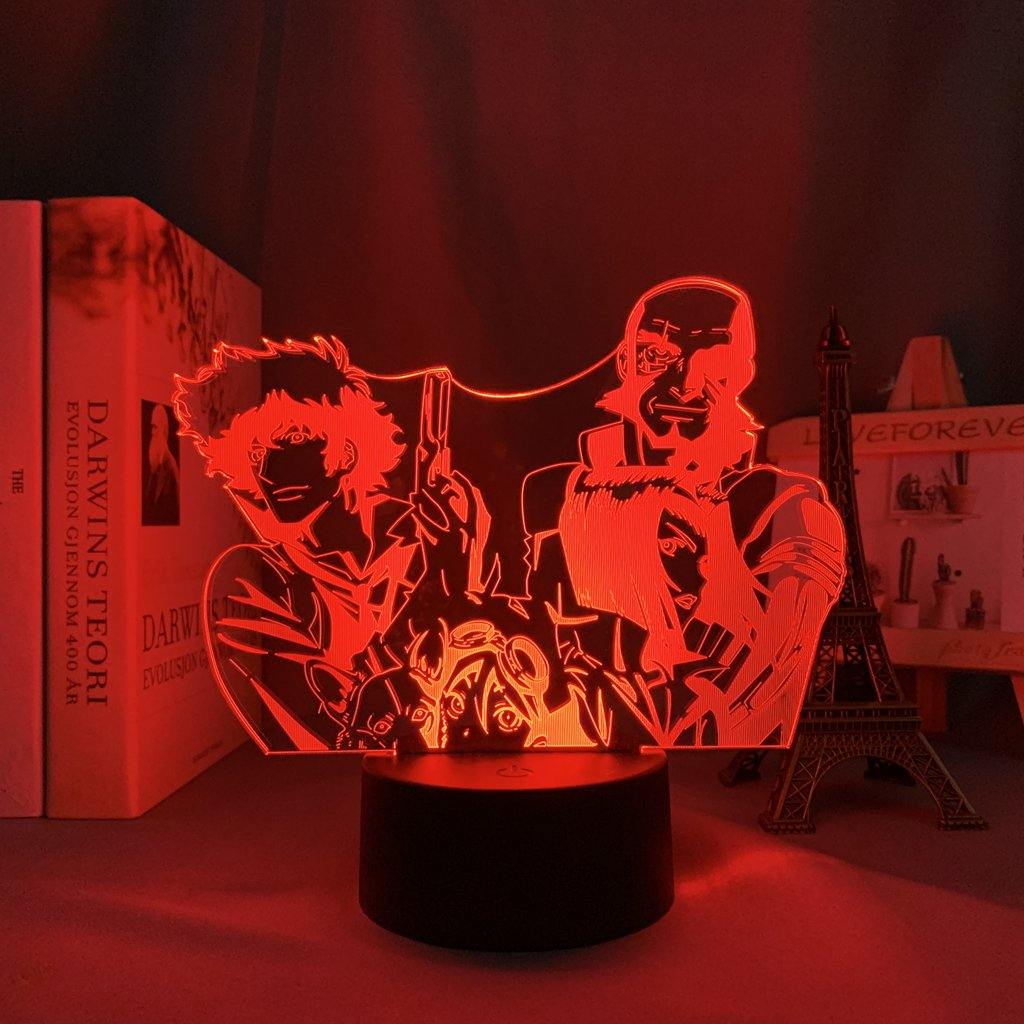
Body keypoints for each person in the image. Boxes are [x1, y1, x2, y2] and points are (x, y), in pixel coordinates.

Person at [520, 276, 845, 749]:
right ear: (626, 364)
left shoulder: (784, 510)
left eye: (712, 361)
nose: (685, 384)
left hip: (680, 732)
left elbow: (759, 695)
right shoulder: (558, 495)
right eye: (655, 356)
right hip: (573, 726)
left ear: (742, 373)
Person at [173, 336, 490, 750]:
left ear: (347, 448)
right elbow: (343, 729)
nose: (267, 472)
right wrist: (440, 592)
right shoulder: (255, 579)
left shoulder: (438, 535)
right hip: (329, 781)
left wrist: (462, 577)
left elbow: (490, 687)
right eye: (253, 454)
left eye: (292, 440)